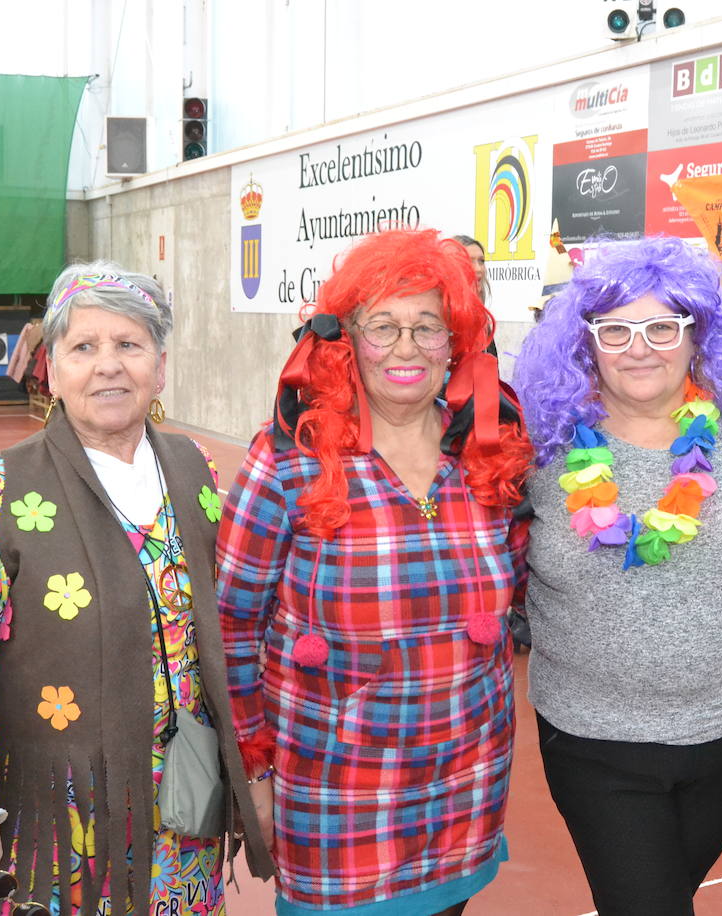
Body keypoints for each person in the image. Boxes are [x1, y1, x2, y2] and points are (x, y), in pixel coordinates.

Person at [0, 262, 272, 915]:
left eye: (129, 345)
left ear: (159, 367)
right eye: (84, 347)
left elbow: (231, 628)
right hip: (61, 830)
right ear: (51, 367)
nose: (108, 365)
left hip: (183, 822)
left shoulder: (195, 468)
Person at [215, 229, 532, 916]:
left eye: (428, 327)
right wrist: (255, 773)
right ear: (345, 340)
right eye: (382, 326)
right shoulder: (288, 460)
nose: (407, 347)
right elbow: (233, 625)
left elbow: (514, 599)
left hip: (464, 791)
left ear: (458, 343)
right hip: (335, 799)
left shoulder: (486, 455)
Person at [512, 236, 722, 915]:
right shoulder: (540, 443)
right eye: (616, 329)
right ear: (585, 342)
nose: (639, 347)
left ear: (698, 334)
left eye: (661, 326)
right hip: (594, 739)